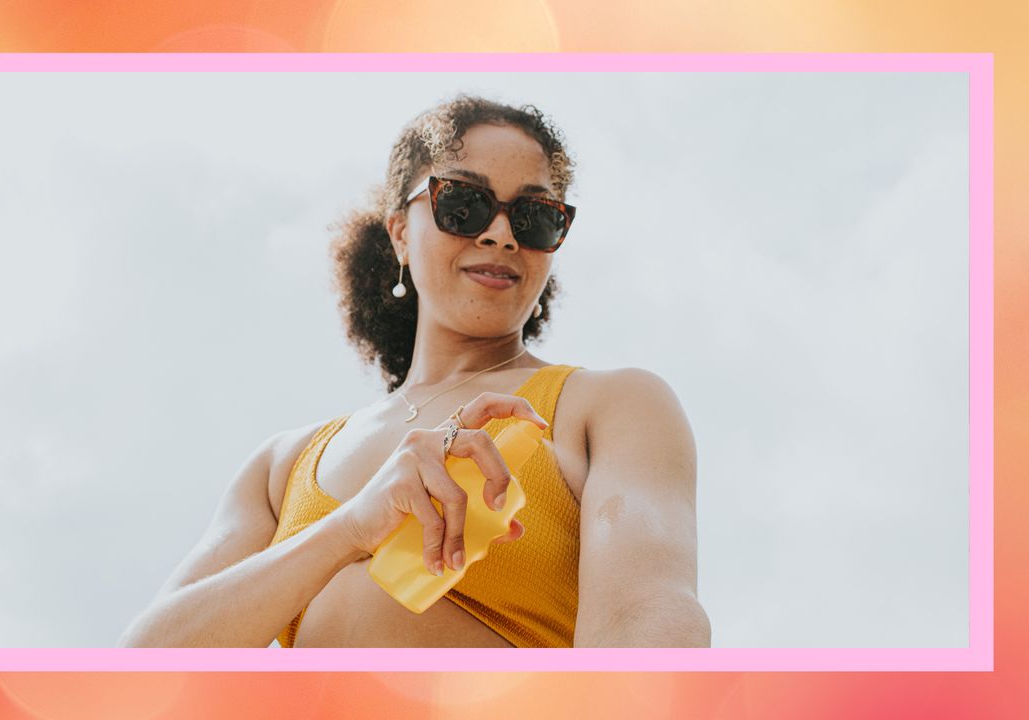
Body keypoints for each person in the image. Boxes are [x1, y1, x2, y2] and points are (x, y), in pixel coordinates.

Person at [119, 94, 710, 648]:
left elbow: (650, 621)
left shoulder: (610, 406)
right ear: (401, 232)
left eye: (534, 217)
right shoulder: (281, 467)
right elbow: (137, 672)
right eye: (463, 203)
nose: (499, 233)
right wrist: (351, 528)